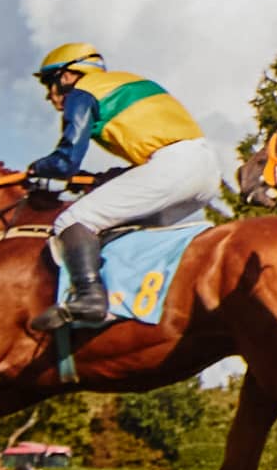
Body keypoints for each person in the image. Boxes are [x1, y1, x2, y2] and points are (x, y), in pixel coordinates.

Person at [27, 44, 221, 330]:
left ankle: (90, 297)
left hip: (172, 166)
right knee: (125, 233)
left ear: (66, 76)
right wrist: (107, 179)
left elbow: (65, 161)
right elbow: (151, 145)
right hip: (205, 171)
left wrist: (36, 169)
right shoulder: (126, 81)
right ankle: (128, 302)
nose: (49, 95)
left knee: (72, 220)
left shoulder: (81, 94)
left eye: (49, 83)